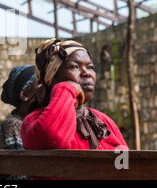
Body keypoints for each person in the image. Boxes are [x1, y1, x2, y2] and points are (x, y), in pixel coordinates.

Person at [21, 39, 128, 172]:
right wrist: (66, 88)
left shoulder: (103, 120)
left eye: (90, 67)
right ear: (52, 77)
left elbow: (126, 166)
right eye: (74, 67)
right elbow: (53, 138)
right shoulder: (34, 121)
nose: (87, 73)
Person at [0, 65, 40, 180]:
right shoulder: (12, 125)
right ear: (24, 94)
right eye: (40, 82)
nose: (46, 87)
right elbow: (20, 176)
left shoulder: (34, 125)